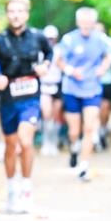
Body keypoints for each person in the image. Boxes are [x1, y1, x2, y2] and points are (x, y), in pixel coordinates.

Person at [0, 0, 53, 214]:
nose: (16, 15)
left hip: (30, 97)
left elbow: (49, 52)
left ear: (26, 14)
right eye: (11, 11)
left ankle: (26, 190)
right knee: (11, 145)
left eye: (20, 11)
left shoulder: (38, 37)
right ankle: (12, 189)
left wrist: (45, 65)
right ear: (7, 14)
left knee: (25, 140)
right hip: (8, 99)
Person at [56, 7, 111, 181]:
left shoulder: (100, 39)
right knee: (74, 131)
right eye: (84, 22)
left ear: (94, 23)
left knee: (89, 128)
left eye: (90, 22)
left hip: (92, 88)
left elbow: (108, 57)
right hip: (72, 88)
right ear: (78, 22)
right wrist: (71, 71)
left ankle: (84, 166)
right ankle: (74, 147)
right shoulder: (69, 39)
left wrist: (102, 69)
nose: (87, 25)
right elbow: (59, 60)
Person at [94, 21, 111, 151]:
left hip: (106, 81)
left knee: (105, 108)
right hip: (90, 82)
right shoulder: (87, 42)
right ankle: (94, 136)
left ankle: (103, 130)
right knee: (93, 109)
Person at [39, 24, 63, 156]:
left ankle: (54, 142)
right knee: (46, 114)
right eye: (48, 38)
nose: (50, 41)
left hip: (57, 84)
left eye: (52, 38)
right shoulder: (39, 51)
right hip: (44, 84)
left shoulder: (60, 50)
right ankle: (45, 142)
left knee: (56, 114)